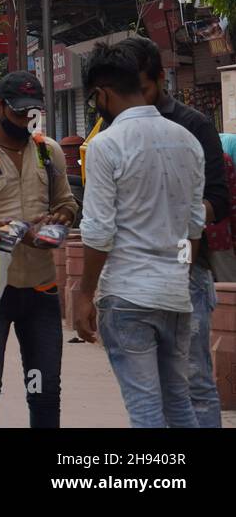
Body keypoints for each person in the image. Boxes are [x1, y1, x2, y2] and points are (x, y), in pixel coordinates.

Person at [75, 42, 205, 428]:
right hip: (175, 296)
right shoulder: (188, 140)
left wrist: (84, 294)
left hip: (128, 296)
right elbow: (193, 227)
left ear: (102, 93)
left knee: (146, 410)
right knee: (179, 403)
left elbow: (98, 230)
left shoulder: (105, 145)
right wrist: (177, 272)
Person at [115, 34, 225, 426]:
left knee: (193, 380)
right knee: (151, 391)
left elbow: (218, 199)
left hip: (186, 268)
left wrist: (181, 226)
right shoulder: (117, 125)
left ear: (161, 79)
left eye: (143, 89)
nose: (137, 100)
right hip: (136, 278)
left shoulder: (191, 125)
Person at [0, 71, 79, 428]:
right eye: (18, 113)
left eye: (32, 113)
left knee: (43, 388)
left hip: (41, 290)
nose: (26, 121)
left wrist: (61, 217)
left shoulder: (49, 151)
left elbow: (68, 204)